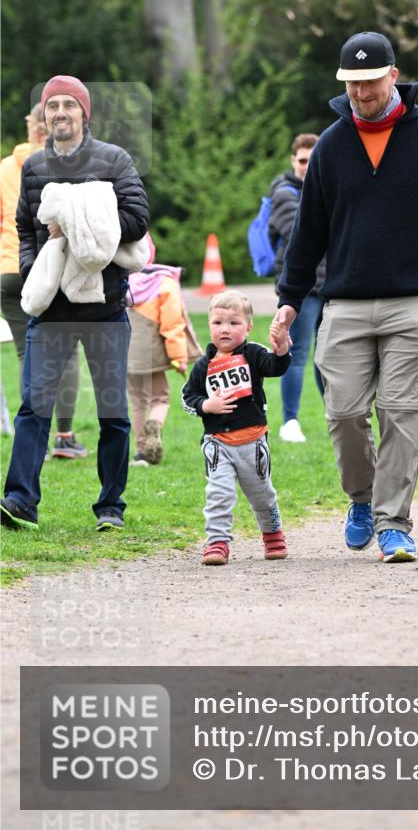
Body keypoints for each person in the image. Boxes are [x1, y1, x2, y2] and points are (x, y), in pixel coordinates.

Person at [275, 30, 418, 563]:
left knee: (401, 413)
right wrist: (290, 298)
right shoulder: (333, 144)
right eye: (353, 83)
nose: (362, 91)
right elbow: (308, 232)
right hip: (344, 304)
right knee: (342, 415)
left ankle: (394, 524)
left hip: (414, 302)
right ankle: (361, 499)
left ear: (393, 75)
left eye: (370, 80)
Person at [1, 75, 149, 532]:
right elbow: (26, 226)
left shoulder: (114, 159)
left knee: (113, 413)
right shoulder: (34, 167)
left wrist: (78, 214)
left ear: (85, 114)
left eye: (69, 105)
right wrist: (32, 269)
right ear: (43, 116)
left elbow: (137, 219)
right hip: (51, 311)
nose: (60, 112)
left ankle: (111, 506)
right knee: (33, 406)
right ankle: (20, 501)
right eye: (52, 106)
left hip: (105, 307)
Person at [0, 103, 86, 458]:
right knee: (65, 354)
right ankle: (64, 437)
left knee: (27, 352)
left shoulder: (5, 167)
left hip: (7, 270)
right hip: (50, 267)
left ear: (29, 127)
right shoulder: (62, 165)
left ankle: (31, 433)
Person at [181, 290, 291, 566]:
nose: (225, 329)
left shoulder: (254, 354)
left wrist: (281, 350)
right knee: (219, 494)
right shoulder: (203, 366)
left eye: (234, 323)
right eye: (218, 323)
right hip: (218, 444)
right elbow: (187, 397)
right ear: (209, 325)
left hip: (253, 444)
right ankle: (217, 542)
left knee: (262, 494)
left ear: (248, 327)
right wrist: (207, 406)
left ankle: (272, 534)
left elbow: (275, 367)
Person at [126, 234, 202, 466]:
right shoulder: (164, 283)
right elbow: (173, 324)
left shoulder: (122, 282)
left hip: (127, 354)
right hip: (154, 354)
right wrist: (179, 358)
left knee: (138, 401)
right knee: (160, 398)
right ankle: (155, 424)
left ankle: (140, 452)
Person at [269, 132, 324, 443]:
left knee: (328, 355)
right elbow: (298, 232)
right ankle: (290, 421)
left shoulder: (324, 188)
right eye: (303, 160)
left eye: (313, 159)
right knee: (298, 352)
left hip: (330, 286)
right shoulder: (284, 193)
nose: (307, 165)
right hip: (300, 288)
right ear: (294, 161)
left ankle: (335, 414)